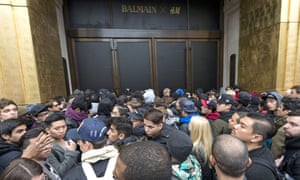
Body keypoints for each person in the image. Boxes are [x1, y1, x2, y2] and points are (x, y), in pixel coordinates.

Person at [231, 112, 277, 180]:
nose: (235, 126)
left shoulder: (258, 171)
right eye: (238, 123)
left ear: (256, 138)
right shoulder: (244, 152)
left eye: (242, 126)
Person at [44, 112, 79, 176]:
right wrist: (71, 152)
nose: (62, 131)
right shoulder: (48, 148)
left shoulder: (68, 139)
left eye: (64, 127)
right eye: (57, 128)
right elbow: (59, 171)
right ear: (48, 130)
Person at [278, 109, 300, 179]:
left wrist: (275, 169)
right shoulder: (291, 143)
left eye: (293, 124)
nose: (285, 126)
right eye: (286, 122)